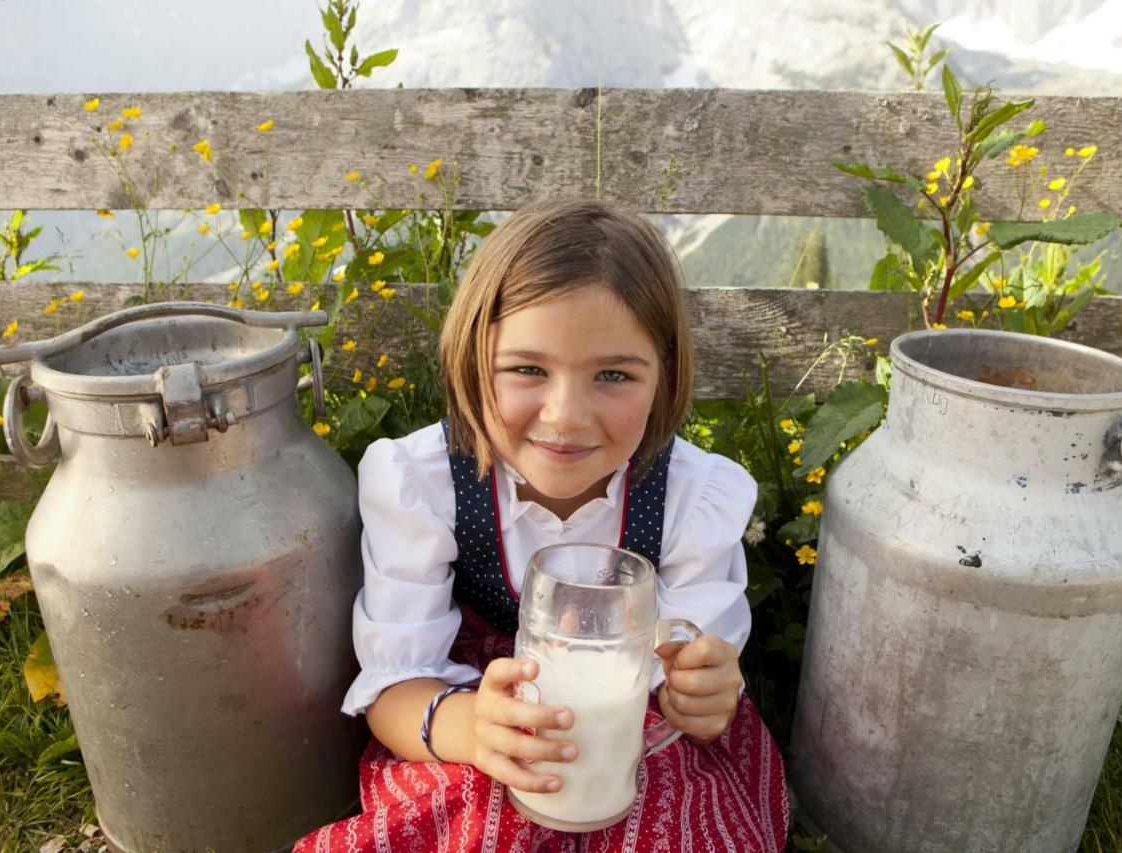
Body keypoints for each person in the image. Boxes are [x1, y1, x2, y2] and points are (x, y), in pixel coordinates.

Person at [295, 199, 789, 852]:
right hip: (475, 717)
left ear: (663, 376)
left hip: (642, 728)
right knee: (466, 824)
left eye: (613, 375)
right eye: (529, 369)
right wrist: (472, 727)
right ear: (475, 359)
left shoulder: (690, 495)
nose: (565, 416)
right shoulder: (425, 482)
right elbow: (394, 688)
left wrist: (704, 691)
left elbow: (696, 666)